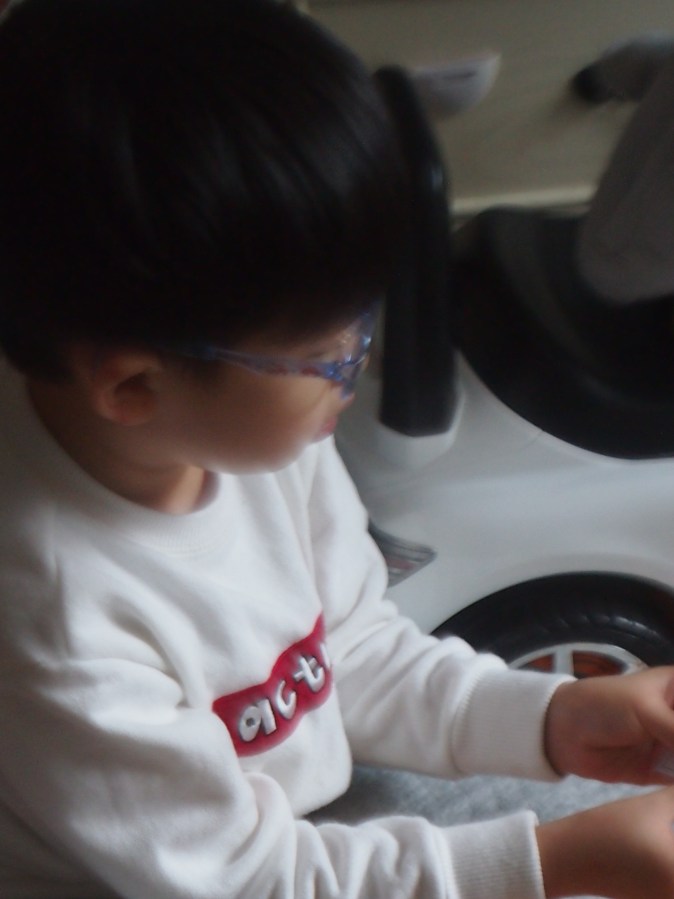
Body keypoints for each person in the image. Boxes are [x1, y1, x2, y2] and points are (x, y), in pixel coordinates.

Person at [1, 1, 674, 897]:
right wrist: (569, 858)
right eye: (329, 354)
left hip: (279, 824)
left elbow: (349, 646)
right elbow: (249, 880)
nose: (361, 362)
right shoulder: (53, 618)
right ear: (131, 387)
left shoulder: (253, 438)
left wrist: (554, 715)